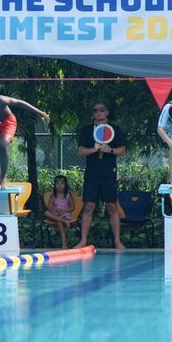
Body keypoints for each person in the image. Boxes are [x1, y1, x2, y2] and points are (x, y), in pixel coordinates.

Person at [75, 101, 126, 250]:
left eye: (102, 110)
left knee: (111, 206)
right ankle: (83, 241)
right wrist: (94, 149)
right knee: (89, 206)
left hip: (108, 174)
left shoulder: (115, 130)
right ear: (93, 113)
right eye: (95, 110)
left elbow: (122, 150)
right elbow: (80, 151)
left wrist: (110, 150)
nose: (98, 112)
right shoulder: (86, 130)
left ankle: (117, 241)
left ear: (107, 112)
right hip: (92, 174)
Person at [43, 175, 79, 249]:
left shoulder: (68, 195)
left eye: (62, 183)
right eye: (57, 183)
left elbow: (72, 207)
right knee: (46, 212)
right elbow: (49, 208)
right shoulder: (53, 196)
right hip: (55, 215)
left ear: (66, 185)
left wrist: (64, 211)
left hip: (65, 215)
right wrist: (54, 212)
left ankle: (64, 244)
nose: (59, 186)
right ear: (54, 185)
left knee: (59, 222)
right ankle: (64, 221)